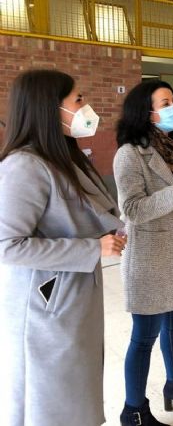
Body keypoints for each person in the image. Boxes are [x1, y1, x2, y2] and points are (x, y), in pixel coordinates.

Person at [0, 69, 125, 426]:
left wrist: (111, 234)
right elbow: (7, 246)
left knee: (76, 391)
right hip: (45, 304)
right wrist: (91, 248)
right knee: (51, 401)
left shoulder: (65, 157)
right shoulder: (24, 166)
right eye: (78, 99)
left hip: (72, 297)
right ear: (50, 108)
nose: (86, 106)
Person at [114, 80, 173, 426]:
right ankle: (134, 410)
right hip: (149, 258)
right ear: (146, 112)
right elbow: (131, 209)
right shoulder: (129, 154)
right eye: (165, 103)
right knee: (144, 336)